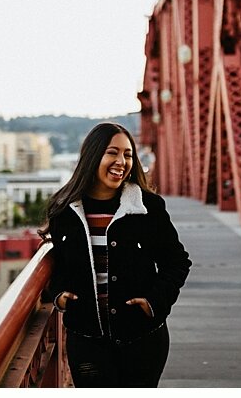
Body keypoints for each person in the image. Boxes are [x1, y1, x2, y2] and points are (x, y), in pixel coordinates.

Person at [44, 122, 191, 387]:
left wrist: (154, 302)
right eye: (112, 153)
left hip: (142, 338)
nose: (121, 161)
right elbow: (59, 268)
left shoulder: (148, 208)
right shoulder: (64, 210)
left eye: (128, 154)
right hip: (86, 338)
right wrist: (60, 296)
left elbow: (177, 262)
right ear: (93, 155)